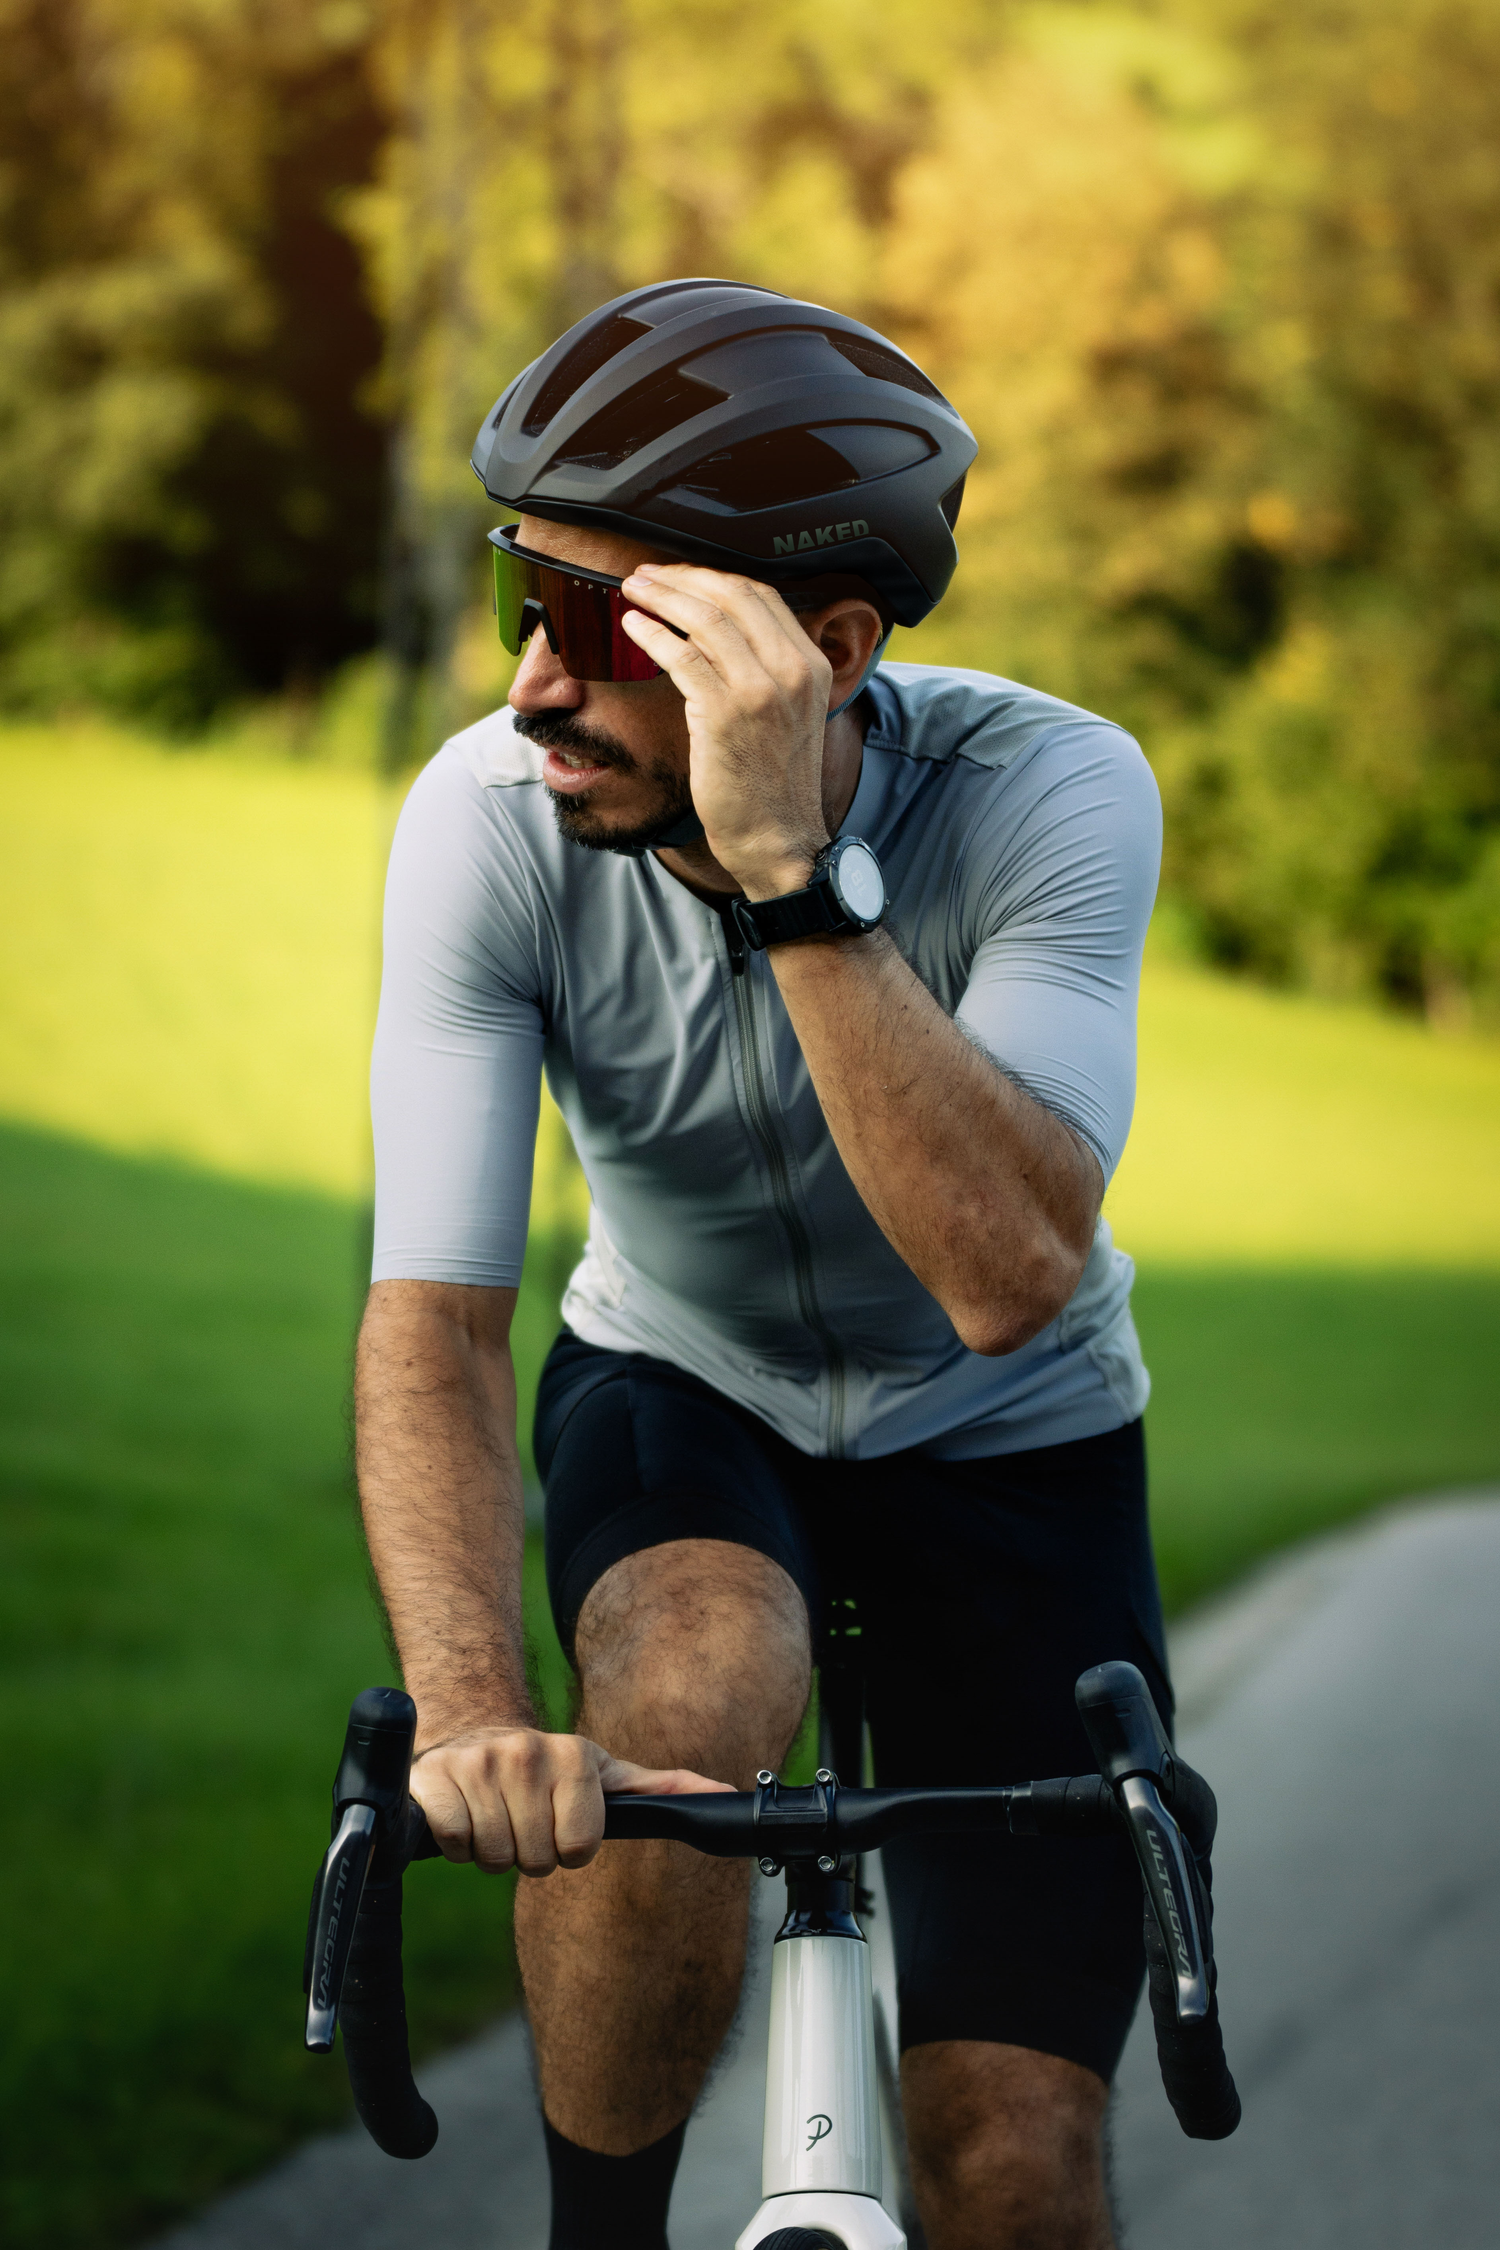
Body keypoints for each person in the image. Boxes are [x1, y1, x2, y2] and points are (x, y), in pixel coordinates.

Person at [359, 279, 1166, 2250]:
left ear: (828, 651)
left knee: (1017, 2166)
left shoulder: (1056, 794)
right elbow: (439, 1324)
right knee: (684, 1693)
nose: (532, 687)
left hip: (1015, 1428)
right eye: (523, 601)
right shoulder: (486, 822)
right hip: (684, 1381)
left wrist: (791, 873)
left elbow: (1008, 1279)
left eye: (602, 628)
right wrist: (467, 1713)